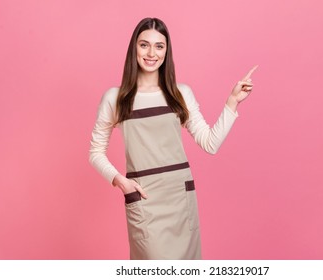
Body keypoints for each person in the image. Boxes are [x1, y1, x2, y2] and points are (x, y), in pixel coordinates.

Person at [89, 17, 257, 260]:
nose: (151, 53)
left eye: (159, 46)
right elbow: (95, 152)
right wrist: (120, 181)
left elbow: (210, 143)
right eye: (144, 44)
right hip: (144, 198)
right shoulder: (115, 98)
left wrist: (232, 102)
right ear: (134, 48)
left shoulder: (181, 94)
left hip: (180, 199)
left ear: (166, 52)